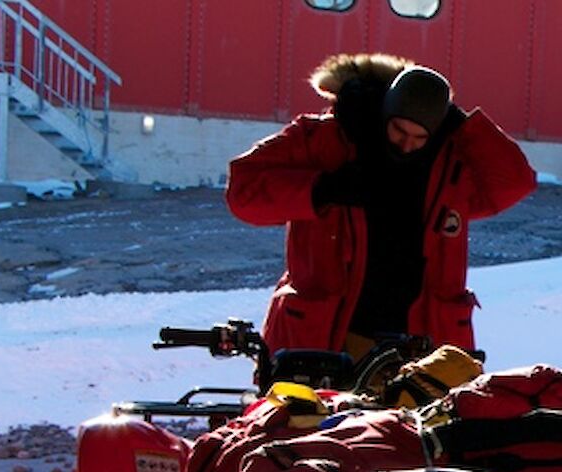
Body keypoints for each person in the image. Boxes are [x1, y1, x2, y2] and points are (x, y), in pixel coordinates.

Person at [226, 53, 536, 358]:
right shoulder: (324, 139)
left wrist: (464, 126)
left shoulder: (451, 160)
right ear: (384, 112)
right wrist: (323, 190)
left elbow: (517, 181)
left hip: (422, 345)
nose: (407, 144)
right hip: (327, 338)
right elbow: (243, 191)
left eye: (419, 137)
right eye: (399, 131)